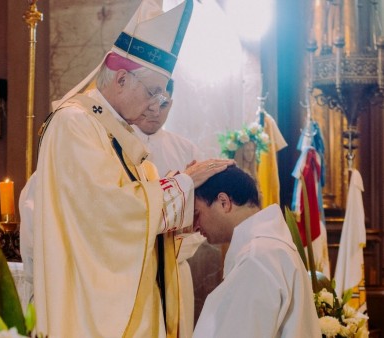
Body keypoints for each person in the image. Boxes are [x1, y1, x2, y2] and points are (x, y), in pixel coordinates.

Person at [19, 1, 233, 336]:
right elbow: (108, 213)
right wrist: (183, 183)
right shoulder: (75, 124)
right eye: (153, 93)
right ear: (121, 79)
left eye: (161, 97)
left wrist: (186, 213)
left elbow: (132, 212)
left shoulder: (114, 130)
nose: (155, 106)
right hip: (90, 308)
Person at [192, 165, 321, 338]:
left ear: (224, 202)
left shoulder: (257, 257)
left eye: (197, 213)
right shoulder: (269, 248)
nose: (195, 226)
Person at [132, 78, 206, 338]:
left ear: (171, 103)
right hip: (132, 270)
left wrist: (174, 247)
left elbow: (201, 215)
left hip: (176, 267)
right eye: (150, 102)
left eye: (163, 104)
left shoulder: (186, 150)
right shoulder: (118, 146)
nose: (155, 111)